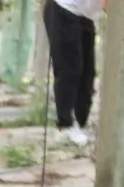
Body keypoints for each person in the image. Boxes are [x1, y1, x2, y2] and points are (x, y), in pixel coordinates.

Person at [43, 0, 104, 147]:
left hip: (86, 17)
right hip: (64, 8)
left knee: (87, 74)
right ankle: (65, 125)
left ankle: (79, 123)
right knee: (69, 69)